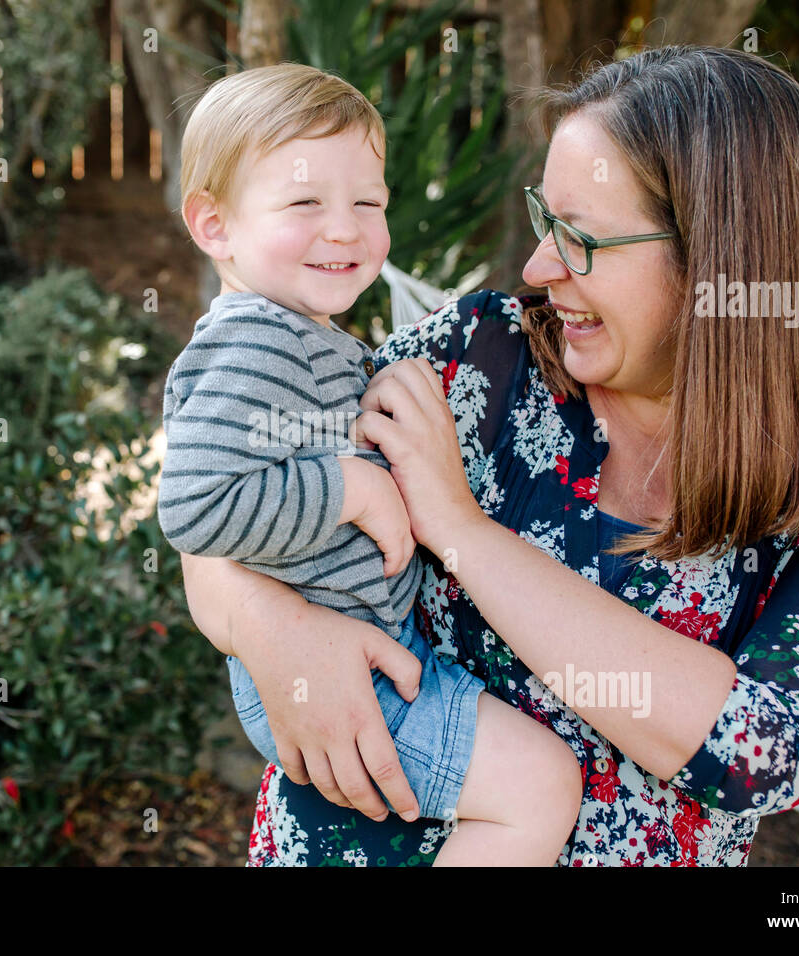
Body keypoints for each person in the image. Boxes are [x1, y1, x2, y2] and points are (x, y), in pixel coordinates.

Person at [178, 46, 799, 866]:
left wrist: (459, 530)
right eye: (548, 220)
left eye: (581, 239)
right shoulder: (478, 354)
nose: (540, 269)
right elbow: (220, 505)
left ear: (721, 260)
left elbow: (757, 752)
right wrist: (274, 629)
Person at [159, 63, 583, 866]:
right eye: (304, 202)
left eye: (369, 203)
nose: (346, 229)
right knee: (539, 788)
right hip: (340, 666)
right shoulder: (254, 342)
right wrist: (349, 487)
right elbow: (195, 511)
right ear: (213, 225)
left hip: (364, 644)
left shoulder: (301, 332)